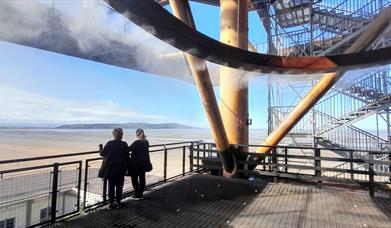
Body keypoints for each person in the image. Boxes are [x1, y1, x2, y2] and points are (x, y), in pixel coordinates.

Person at [98, 128, 130, 209]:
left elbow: (102, 154)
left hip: (110, 169)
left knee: (111, 186)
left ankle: (111, 204)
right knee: (119, 186)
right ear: (121, 135)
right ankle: (119, 203)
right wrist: (128, 168)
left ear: (114, 135)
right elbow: (127, 157)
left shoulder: (109, 143)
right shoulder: (124, 144)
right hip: (121, 169)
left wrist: (100, 146)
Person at [129, 128, 151, 200]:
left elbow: (128, 149)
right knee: (142, 178)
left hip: (135, 164)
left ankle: (137, 194)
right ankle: (141, 194)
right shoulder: (146, 142)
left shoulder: (136, 143)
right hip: (144, 163)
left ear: (137, 134)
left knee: (134, 179)